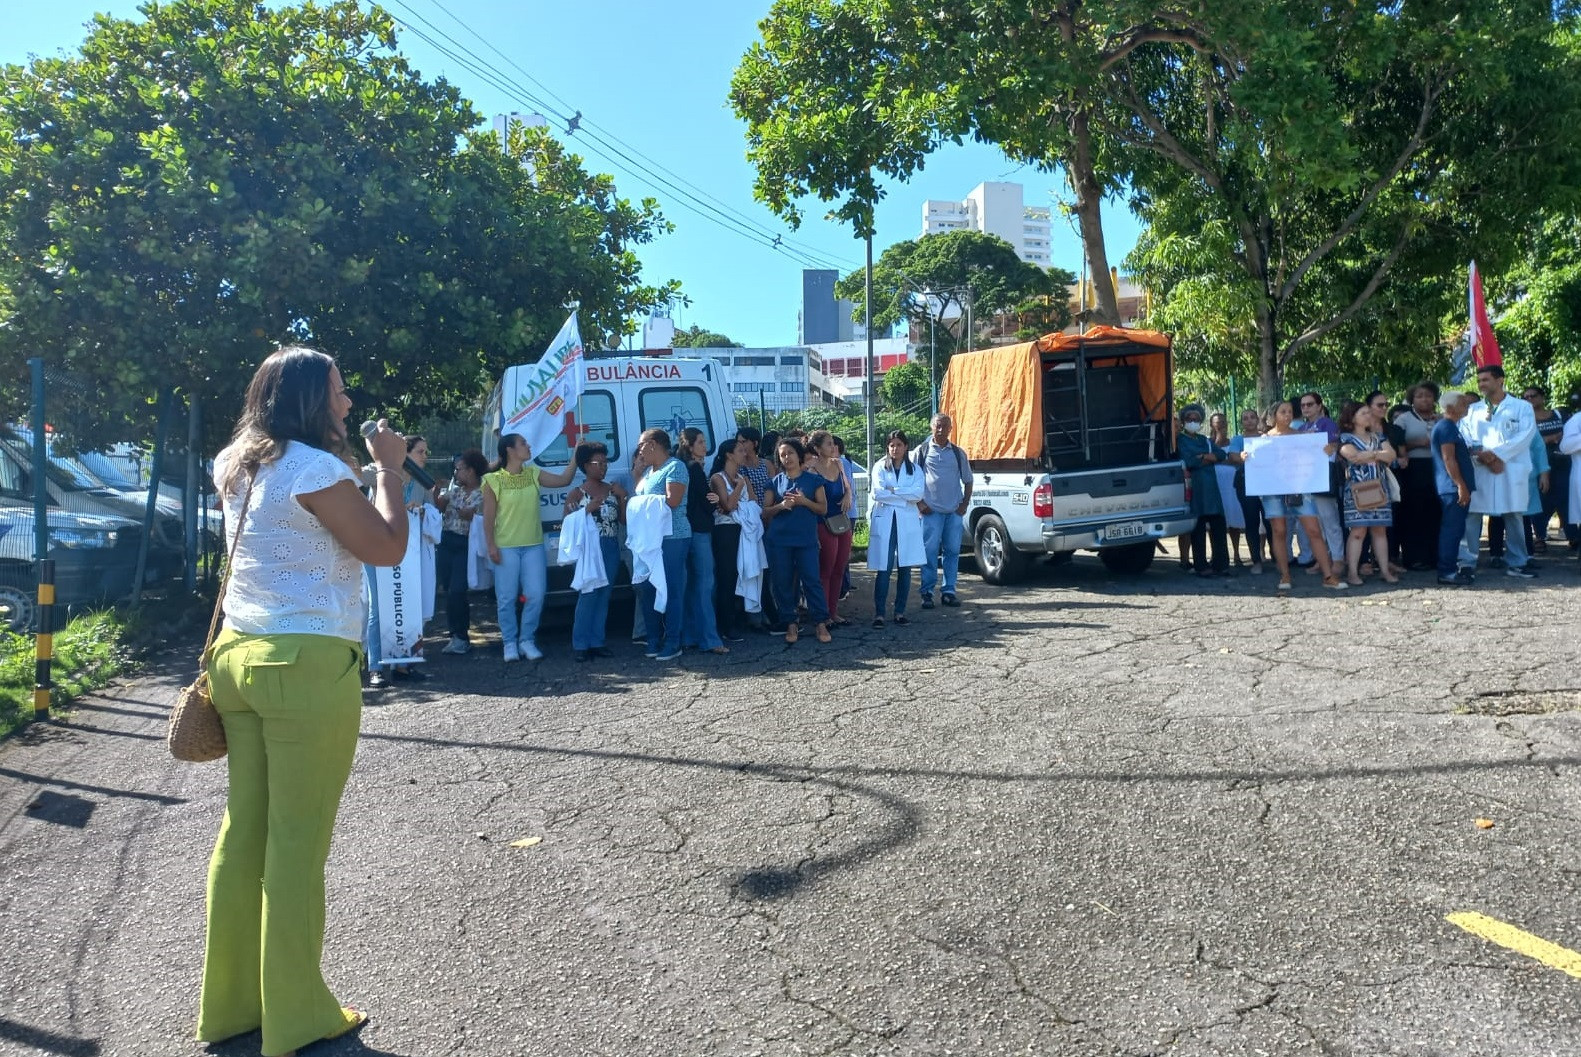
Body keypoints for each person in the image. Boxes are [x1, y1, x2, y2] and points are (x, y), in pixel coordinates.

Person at [200, 346, 408, 1056]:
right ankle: (295, 1016)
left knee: (243, 836)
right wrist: (389, 468)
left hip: (236, 657)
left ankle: (231, 1008)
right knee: (296, 842)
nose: (348, 404)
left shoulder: (236, 462)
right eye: (339, 392)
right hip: (306, 662)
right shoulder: (318, 469)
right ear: (308, 401)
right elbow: (384, 548)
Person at [480, 433, 577, 662]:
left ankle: (527, 640)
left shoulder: (533, 473)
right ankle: (509, 643)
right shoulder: (492, 480)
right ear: (510, 451)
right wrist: (491, 545)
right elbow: (488, 517)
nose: (528, 445)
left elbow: (564, 480)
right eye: (523, 443)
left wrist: (575, 455)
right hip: (506, 547)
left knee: (535, 594)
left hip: (533, 545)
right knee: (506, 598)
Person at [1247, 400, 1348, 590]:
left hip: (1299, 488)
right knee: (1279, 531)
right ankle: (1285, 576)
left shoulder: (1302, 437)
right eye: (1283, 411)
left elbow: (1317, 455)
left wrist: (1328, 449)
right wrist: (1248, 455)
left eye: (1290, 411)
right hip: (1274, 491)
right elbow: (1256, 461)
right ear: (1273, 415)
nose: (1287, 415)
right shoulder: (1263, 439)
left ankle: (1328, 576)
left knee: (1313, 530)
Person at [1460, 363, 1538, 579]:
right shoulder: (1473, 410)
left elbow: (1525, 435)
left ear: (1500, 380)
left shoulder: (1522, 407)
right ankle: (1466, 561)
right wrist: (1484, 455)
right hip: (1481, 468)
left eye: (1485, 380)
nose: (1481, 384)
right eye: (1480, 380)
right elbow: (1465, 435)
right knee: (1473, 514)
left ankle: (1518, 562)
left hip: (1510, 468)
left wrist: (1498, 455)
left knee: (1513, 514)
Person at [763, 437, 831, 644]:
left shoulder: (813, 480)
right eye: (782, 455)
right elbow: (765, 513)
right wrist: (781, 506)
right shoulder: (774, 482)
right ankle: (791, 623)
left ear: (799, 455)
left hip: (806, 540)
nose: (787, 458)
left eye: (790, 453)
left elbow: (823, 509)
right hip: (779, 541)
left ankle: (820, 622)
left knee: (811, 580)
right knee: (783, 582)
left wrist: (804, 502)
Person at [564, 442, 626, 662]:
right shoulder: (576, 494)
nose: (603, 467)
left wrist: (622, 498)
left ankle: (597, 641)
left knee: (604, 594)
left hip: (609, 546)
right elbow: (567, 524)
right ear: (585, 466)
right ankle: (580, 644)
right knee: (588, 594)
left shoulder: (612, 490)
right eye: (597, 463)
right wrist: (586, 511)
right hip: (588, 548)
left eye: (605, 463)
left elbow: (623, 520)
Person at [633, 428, 691, 661]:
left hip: (673, 537)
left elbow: (673, 501)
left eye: (641, 445)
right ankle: (654, 638)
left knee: (673, 589)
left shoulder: (675, 467)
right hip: (651, 540)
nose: (639, 450)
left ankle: (674, 641)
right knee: (647, 588)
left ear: (654, 444)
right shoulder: (648, 472)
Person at [913, 414, 974, 608]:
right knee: (929, 552)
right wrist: (920, 503)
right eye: (937, 426)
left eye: (945, 426)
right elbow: (911, 481)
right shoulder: (921, 452)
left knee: (953, 552)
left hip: (953, 512)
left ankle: (949, 591)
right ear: (931, 427)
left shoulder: (958, 453)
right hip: (931, 512)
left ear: (950, 429)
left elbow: (968, 480)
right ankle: (927, 592)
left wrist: (964, 504)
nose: (941, 429)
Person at [678, 427, 728, 654]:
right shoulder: (694, 469)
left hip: (687, 531)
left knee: (690, 586)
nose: (704, 445)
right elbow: (706, 500)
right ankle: (710, 639)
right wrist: (716, 499)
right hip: (700, 531)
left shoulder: (683, 467)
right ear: (689, 446)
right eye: (700, 442)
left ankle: (689, 635)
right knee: (705, 585)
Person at [868, 430, 925, 627]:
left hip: (907, 523)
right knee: (884, 567)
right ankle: (879, 613)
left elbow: (918, 495)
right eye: (891, 445)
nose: (895, 449)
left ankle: (900, 612)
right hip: (886, 521)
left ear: (906, 447)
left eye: (899, 445)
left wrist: (894, 491)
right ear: (887, 447)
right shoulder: (879, 467)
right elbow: (877, 493)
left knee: (905, 568)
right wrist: (903, 497)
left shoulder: (916, 470)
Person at [434, 449, 488, 655]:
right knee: (448, 590)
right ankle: (455, 635)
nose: (456, 473)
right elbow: (440, 504)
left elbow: (471, 515)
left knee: (457, 590)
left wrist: (461, 510)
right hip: (447, 541)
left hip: (465, 544)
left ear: (472, 470)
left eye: (459, 469)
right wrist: (436, 493)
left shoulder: (482, 493)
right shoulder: (454, 491)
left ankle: (461, 636)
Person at [1338, 401, 1398, 585]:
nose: (1369, 416)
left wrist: (1370, 455)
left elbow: (1391, 455)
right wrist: (1378, 454)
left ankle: (1385, 571)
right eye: (1364, 413)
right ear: (1352, 417)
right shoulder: (1345, 438)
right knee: (1358, 531)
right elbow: (1352, 456)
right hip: (1357, 491)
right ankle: (1353, 573)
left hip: (1379, 490)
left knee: (1380, 530)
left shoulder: (1379, 436)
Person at [807, 428, 855, 627]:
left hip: (842, 522)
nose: (833, 447)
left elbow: (848, 486)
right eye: (828, 443)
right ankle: (822, 615)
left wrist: (848, 495)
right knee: (825, 570)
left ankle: (833, 612)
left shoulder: (839, 464)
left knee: (839, 568)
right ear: (817, 449)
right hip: (823, 524)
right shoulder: (812, 470)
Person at [1393, 382, 1442, 571]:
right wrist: (1417, 443)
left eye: (1428, 395)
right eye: (1419, 396)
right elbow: (1397, 444)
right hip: (1412, 470)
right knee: (1414, 513)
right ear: (1412, 399)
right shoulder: (1404, 419)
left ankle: (1435, 556)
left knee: (1434, 512)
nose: (1424, 399)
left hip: (1436, 468)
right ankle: (1414, 558)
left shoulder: (1441, 419)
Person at [1178, 404, 1230, 577]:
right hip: (1195, 491)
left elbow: (1221, 455)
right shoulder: (1180, 440)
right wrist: (1209, 458)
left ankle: (1221, 565)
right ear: (1184, 421)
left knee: (1218, 529)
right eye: (1189, 419)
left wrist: (1205, 456)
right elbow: (1189, 461)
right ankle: (1201, 566)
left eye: (1196, 419)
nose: (1193, 422)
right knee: (1198, 530)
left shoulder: (1204, 440)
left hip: (1212, 491)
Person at [1433, 391, 1477, 585]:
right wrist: (1460, 484)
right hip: (1452, 488)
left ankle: (1449, 568)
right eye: (1462, 402)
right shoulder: (1446, 427)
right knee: (1452, 529)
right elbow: (1448, 457)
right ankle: (1447, 571)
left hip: (1452, 486)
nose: (1466, 404)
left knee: (1455, 528)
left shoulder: (1451, 427)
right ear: (1450, 407)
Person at [709, 439, 751, 639]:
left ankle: (740, 617)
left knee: (741, 572)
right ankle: (726, 624)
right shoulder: (718, 478)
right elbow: (728, 506)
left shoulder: (743, 477)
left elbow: (753, 503)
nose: (745, 454)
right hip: (725, 530)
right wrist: (739, 486)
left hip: (743, 529)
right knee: (727, 575)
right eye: (741, 451)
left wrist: (742, 484)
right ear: (729, 455)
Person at [1297, 392, 1345, 562]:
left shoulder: (1328, 424)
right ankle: (1322, 560)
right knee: (1315, 524)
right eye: (1303, 405)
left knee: (1330, 521)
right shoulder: (1301, 429)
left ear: (1319, 406)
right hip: (1306, 481)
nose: (1305, 408)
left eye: (1310, 404)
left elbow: (1332, 448)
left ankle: (1338, 559)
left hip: (1323, 479)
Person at [1524, 385, 1571, 554]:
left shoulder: (1559, 415)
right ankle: (1539, 537)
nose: (1529, 399)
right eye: (1526, 397)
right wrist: (1551, 438)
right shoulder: (1526, 420)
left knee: (1566, 500)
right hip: (1538, 466)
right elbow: (1528, 443)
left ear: (1542, 397)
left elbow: (1571, 434)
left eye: (1533, 396)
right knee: (1541, 502)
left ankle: (1573, 536)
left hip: (1564, 464)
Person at [1225, 408, 1266, 574]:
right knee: (1252, 522)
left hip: (1267, 483)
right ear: (1241, 422)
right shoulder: (1237, 439)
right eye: (1245, 418)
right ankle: (1256, 560)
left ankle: (1277, 558)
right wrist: (1240, 457)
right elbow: (1232, 457)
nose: (1249, 421)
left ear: (1257, 420)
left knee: (1272, 522)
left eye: (1252, 417)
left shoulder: (1266, 437)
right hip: (1245, 483)